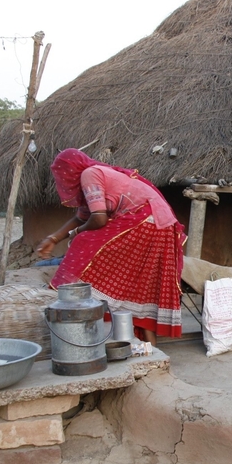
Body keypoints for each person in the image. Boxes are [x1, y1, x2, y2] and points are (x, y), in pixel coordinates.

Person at [36, 148, 186, 345]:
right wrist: (54, 238)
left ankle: (72, 297)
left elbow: (98, 220)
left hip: (147, 222)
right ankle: (149, 348)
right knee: (139, 288)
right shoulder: (93, 179)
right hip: (159, 226)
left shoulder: (90, 174)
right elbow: (82, 217)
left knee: (84, 243)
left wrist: (76, 234)